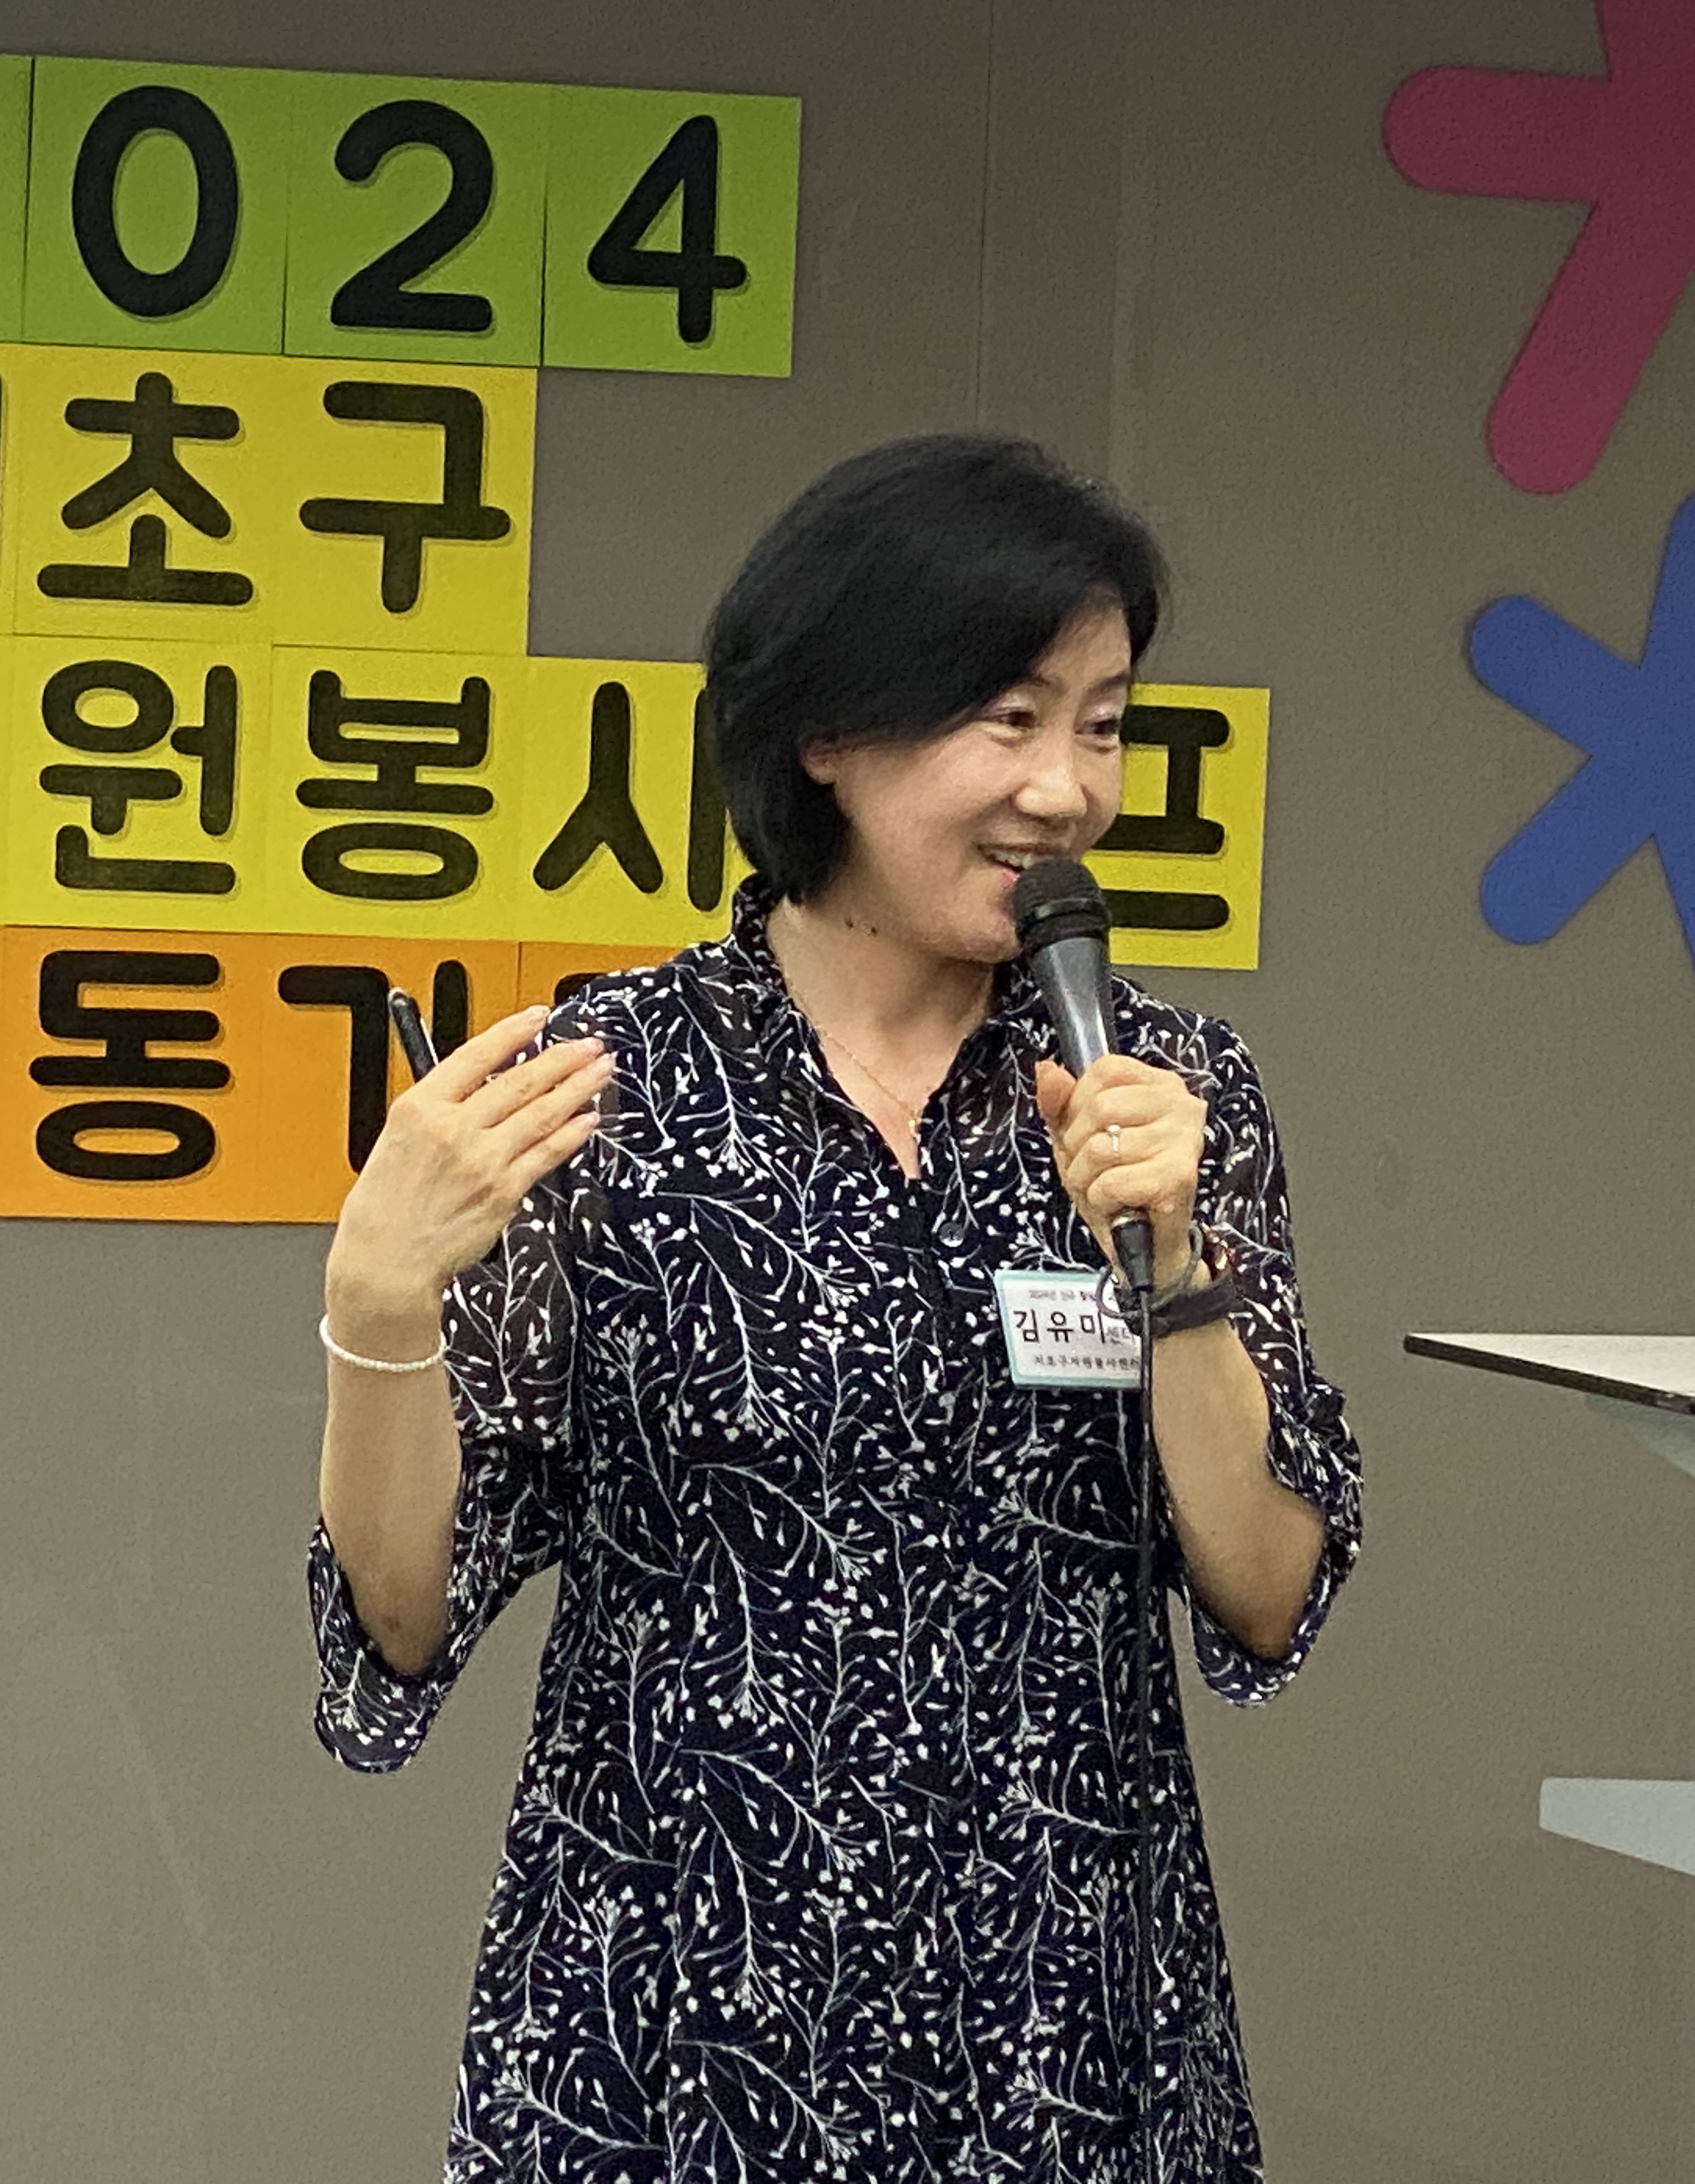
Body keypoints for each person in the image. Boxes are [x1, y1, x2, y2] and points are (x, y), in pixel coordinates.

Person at [309, 436, 1362, 2184]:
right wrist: (377, 1307)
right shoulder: (602, 1089)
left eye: (1103, 725)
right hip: (673, 2020)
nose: (1065, 790)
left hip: (1065, 2025)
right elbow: (405, 1620)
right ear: (827, 732)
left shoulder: (1163, 1093)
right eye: (1009, 719)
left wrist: (1173, 1270)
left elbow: (1267, 1592)